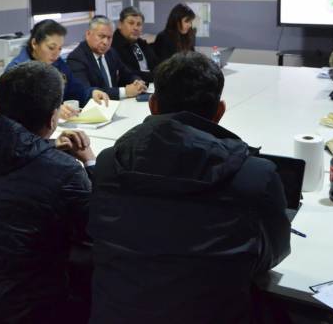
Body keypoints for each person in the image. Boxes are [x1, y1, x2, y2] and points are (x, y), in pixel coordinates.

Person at [88, 51, 290, 323]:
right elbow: (271, 256)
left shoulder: (109, 164)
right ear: (220, 111)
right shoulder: (255, 177)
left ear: (153, 105)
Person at [0, 62, 96, 323]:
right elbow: (98, 226)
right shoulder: (64, 171)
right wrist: (90, 162)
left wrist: (49, 145)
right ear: (53, 117)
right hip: (20, 309)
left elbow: (16, 151)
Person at [5, 19, 109, 113]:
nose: (56, 54)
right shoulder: (16, 72)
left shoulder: (57, 63)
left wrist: (91, 93)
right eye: (51, 48)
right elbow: (20, 111)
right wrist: (52, 112)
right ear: (34, 43)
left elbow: (76, 90)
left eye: (59, 49)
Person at [67, 16, 147, 100]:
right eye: (101, 36)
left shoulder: (111, 52)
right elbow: (86, 91)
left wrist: (137, 81)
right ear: (88, 34)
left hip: (116, 104)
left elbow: (127, 73)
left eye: (109, 38)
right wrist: (124, 92)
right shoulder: (76, 58)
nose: (105, 42)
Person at [111, 6, 160, 83]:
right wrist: (155, 76)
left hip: (151, 83)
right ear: (120, 24)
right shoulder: (113, 47)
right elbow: (128, 73)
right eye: (131, 23)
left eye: (139, 24)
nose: (136, 28)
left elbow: (156, 64)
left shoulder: (140, 43)